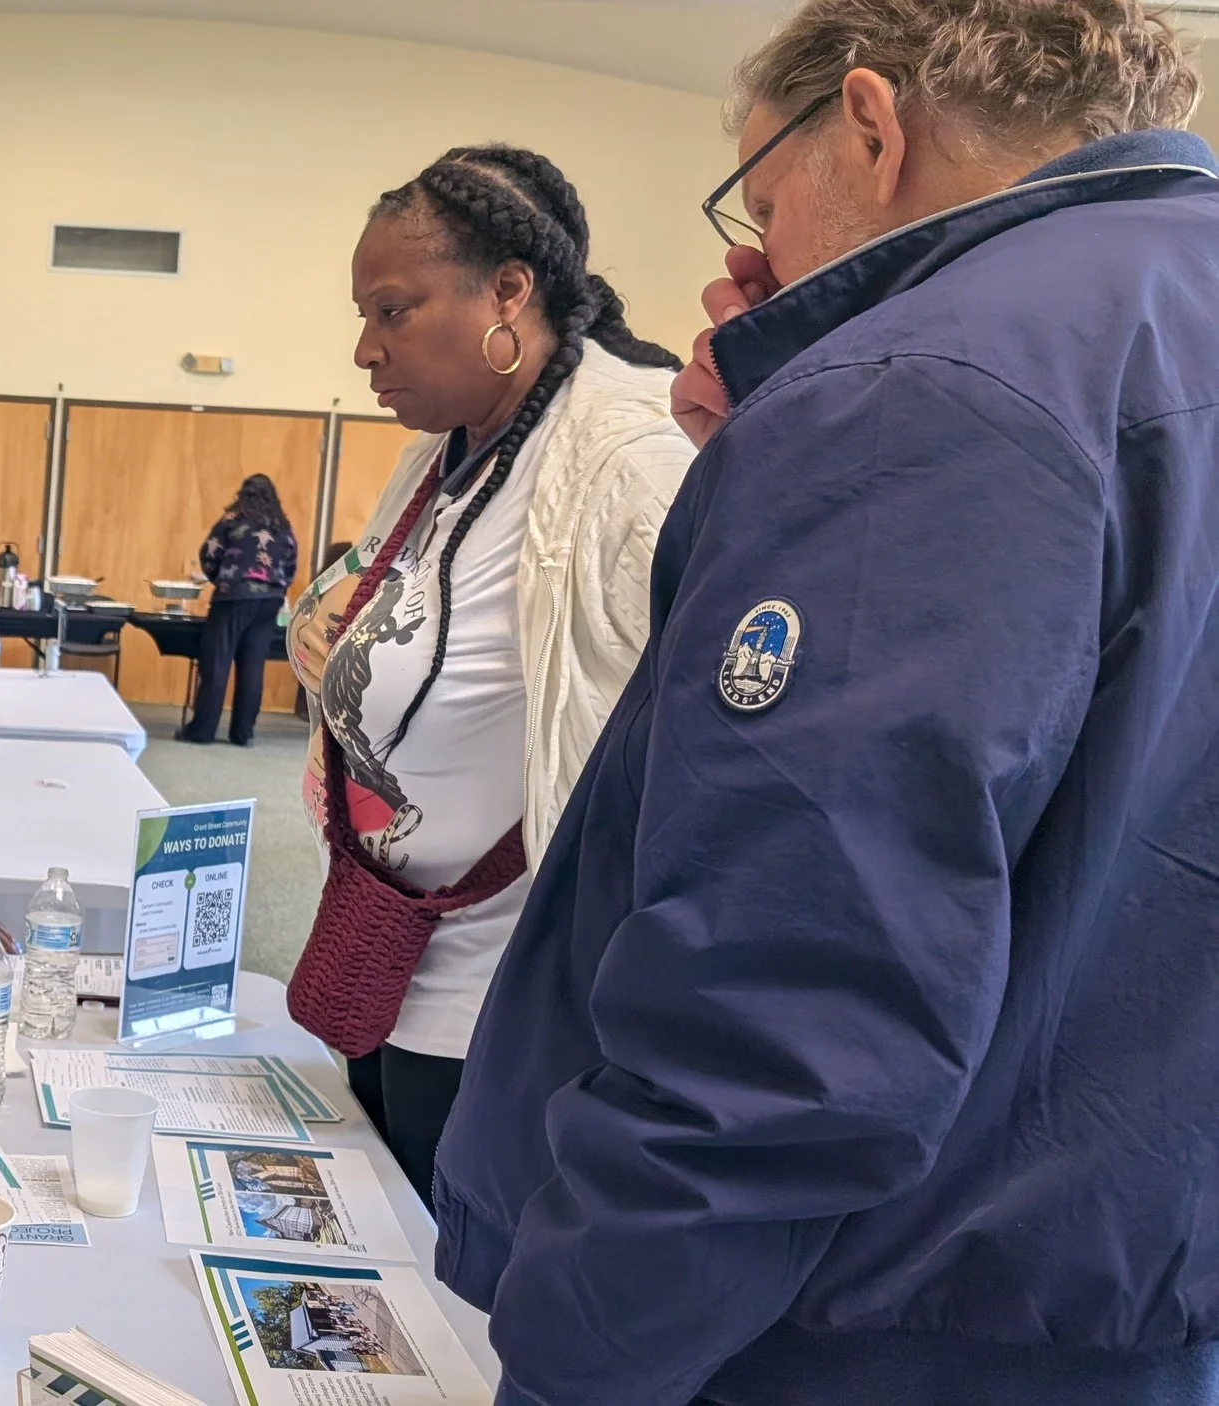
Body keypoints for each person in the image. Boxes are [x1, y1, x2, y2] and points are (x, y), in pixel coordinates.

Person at [434, 4, 1219, 1402]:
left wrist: (580, 1354)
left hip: (869, 1317)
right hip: (1131, 1275)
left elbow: (791, 1002)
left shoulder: (922, 388)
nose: (751, 254)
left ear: (869, 123)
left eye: (763, 192)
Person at [282, 143, 690, 1195]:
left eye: (391, 309)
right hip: (389, 944)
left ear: (509, 290)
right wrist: (314, 638)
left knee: (452, 1284)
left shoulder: (631, 460)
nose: (364, 348)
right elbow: (362, 609)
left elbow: (691, 742)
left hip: (503, 987)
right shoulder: (443, 448)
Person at [178, 473, 298, 746]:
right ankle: (243, 734)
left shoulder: (232, 520)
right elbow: (290, 566)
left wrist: (220, 579)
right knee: (253, 666)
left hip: (233, 597)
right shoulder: (282, 526)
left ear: (243, 494)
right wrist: (275, 589)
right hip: (270, 601)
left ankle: (203, 731)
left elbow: (208, 553)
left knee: (216, 664)